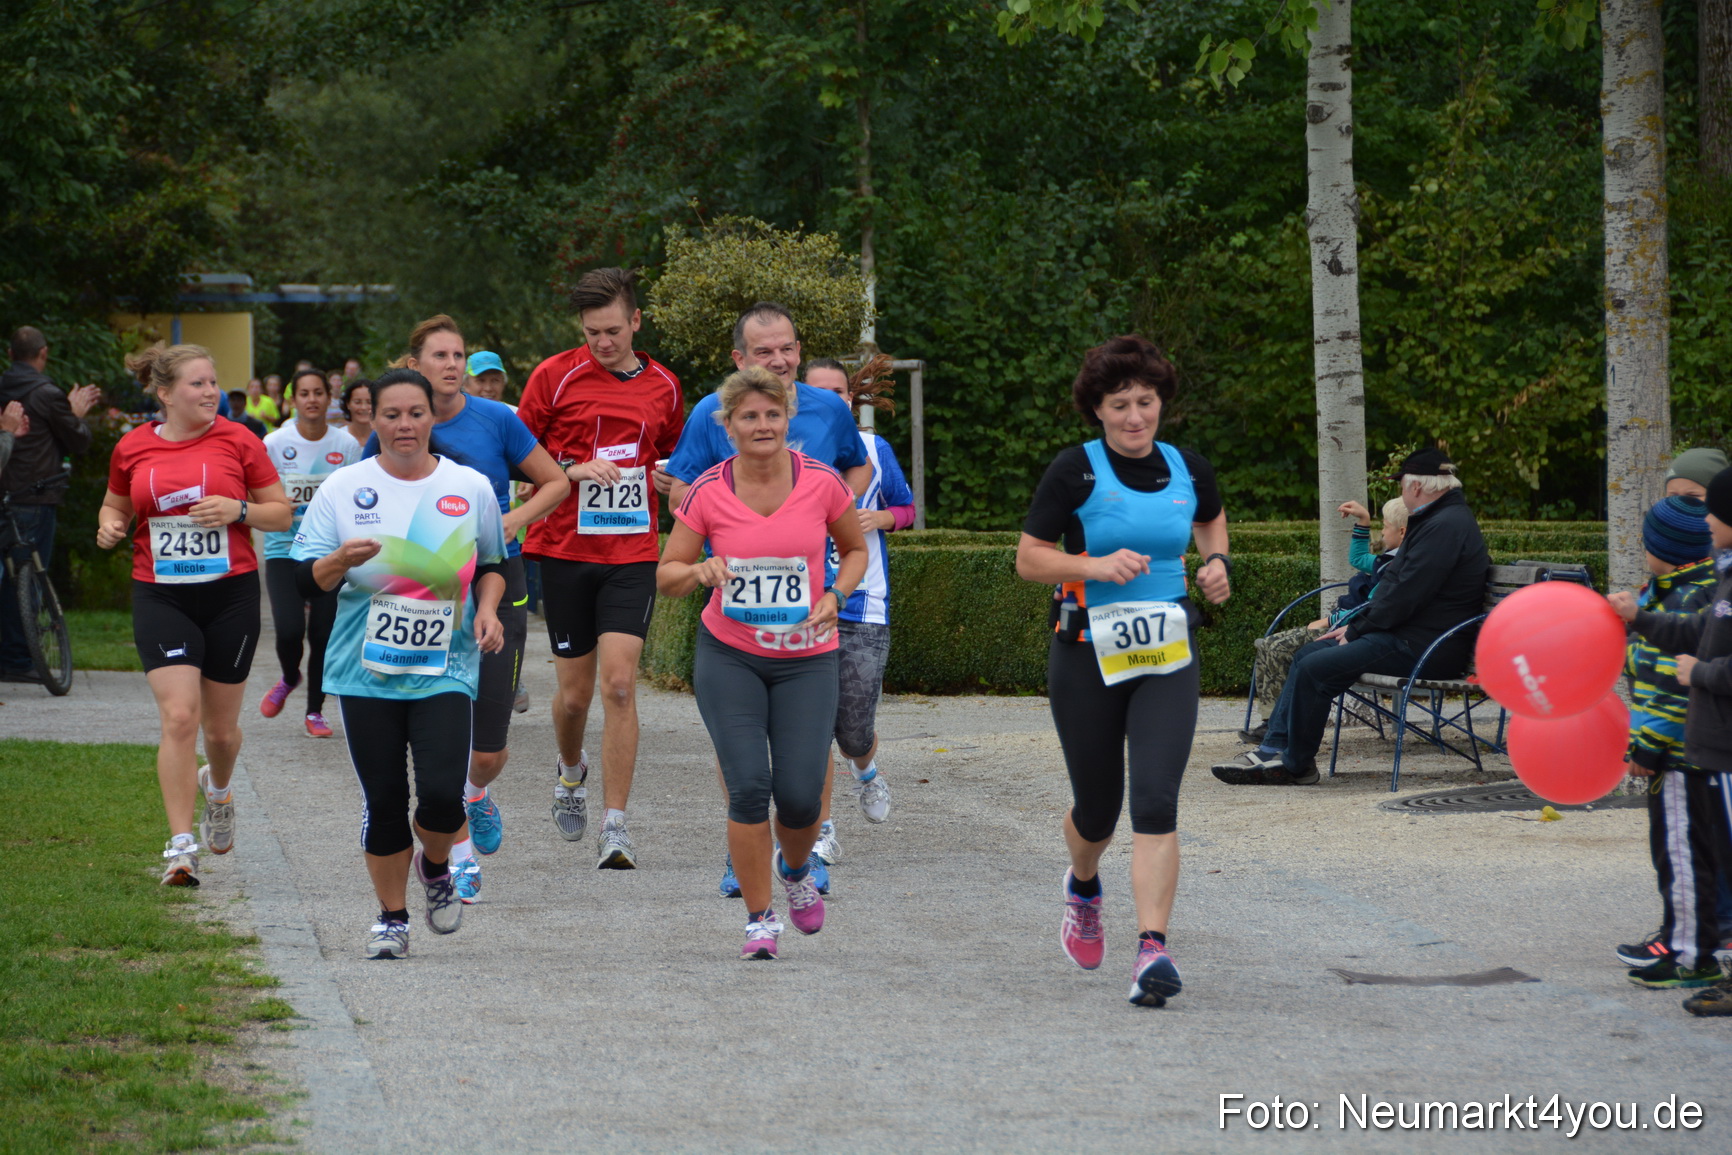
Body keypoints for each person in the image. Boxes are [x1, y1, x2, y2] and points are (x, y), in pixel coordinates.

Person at [1015, 334, 1230, 1008]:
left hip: (1166, 651)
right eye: (1120, 405)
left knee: (1157, 800)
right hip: (1086, 653)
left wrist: (1217, 563)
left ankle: (1152, 948)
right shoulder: (1074, 471)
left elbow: (1212, 519)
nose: (1136, 416)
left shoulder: (1188, 467)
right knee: (1099, 809)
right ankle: (1083, 886)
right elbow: (1028, 557)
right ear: (1098, 411)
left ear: (1161, 400)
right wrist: (1093, 567)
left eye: (1146, 401)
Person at [294, 369, 508, 958]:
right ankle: (391, 917)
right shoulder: (343, 488)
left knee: (441, 796)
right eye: (391, 414)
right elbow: (304, 579)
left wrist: (488, 610)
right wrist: (337, 559)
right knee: (385, 800)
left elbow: (494, 563)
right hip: (365, 670)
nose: (405, 425)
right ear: (371, 418)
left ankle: (435, 865)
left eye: (416, 413)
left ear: (432, 416)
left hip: (446, 664)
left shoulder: (470, 488)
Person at [657, 366, 867, 959]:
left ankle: (795, 873)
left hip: (807, 660)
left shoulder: (823, 483)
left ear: (787, 418)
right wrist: (698, 570)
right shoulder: (708, 490)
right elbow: (667, 575)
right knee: (750, 787)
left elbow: (853, 549)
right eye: (749, 416)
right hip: (732, 657)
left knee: (800, 797)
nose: (762, 425)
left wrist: (837, 594)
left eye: (772, 414)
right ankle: (759, 918)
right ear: (728, 426)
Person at [361, 316, 568, 902]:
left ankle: (474, 795)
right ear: (415, 364)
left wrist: (508, 522)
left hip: (497, 577)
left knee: (490, 747)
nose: (452, 365)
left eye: (459, 355)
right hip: (420, 590)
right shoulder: (392, 427)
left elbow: (553, 482)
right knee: (429, 726)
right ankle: (453, 845)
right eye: (440, 356)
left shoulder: (496, 419)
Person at [96, 343, 292, 885]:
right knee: (180, 717)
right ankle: (181, 846)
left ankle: (220, 789)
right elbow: (114, 505)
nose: (211, 393)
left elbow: (281, 513)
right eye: (198, 384)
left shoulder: (239, 439)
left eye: (213, 382)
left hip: (229, 594)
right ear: (164, 394)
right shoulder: (133, 447)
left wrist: (240, 510)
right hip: (161, 595)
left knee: (222, 733)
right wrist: (108, 526)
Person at [518, 268, 684, 868]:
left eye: (613, 331)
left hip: (631, 553)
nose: (603, 343)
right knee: (573, 696)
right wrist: (571, 471)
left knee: (618, 684)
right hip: (564, 551)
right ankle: (570, 773)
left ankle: (616, 824)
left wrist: (668, 480)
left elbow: (670, 457)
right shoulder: (553, 377)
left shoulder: (665, 384)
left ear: (636, 321)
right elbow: (520, 461)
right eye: (592, 333)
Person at [1212, 447, 1488, 787]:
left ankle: (1295, 766)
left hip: (1426, 646)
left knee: (1318, 666)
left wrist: (1357, 630)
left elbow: (1405, 593)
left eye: (1401, 485)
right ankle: (1274, 749)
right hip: (1409, 637)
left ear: (1415, 487)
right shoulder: (1438, 521)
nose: (1401, 492)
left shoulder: (1445, 525)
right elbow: (1395, 587)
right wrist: (1354, 626)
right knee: (1310, 653)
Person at [1611, 469, 1732, 1016]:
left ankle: (1689, 953)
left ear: (1666, 552)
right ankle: (1691, 941)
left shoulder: (1691, 594)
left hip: (1680, 758)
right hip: (1689, 753)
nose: (1710, 520)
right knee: (1688, 853)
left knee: (1682, 854)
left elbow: (1667, 693)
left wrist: (1648, 751)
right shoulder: (1684, 593)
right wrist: (1639, 617)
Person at [803, 356, 914, 860]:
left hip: (864, 605)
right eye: (818, 391)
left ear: (851, 399)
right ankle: (822, 829)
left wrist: (881, 518)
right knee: (810, 724)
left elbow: (907, 509)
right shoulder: (784, 450)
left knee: (851, 730)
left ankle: (865, 769)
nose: (830, 401)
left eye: (839, 393)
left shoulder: (874, 448)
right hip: (803, 607)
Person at [1243, 496, 1407, 744]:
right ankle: (1271, 722)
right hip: (1348, 630)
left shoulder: (1398, 569)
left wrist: (1329, 619)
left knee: (1276, 647)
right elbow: (1358, 558)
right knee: (1267, 645)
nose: (1381, 532)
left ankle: (1277, 726)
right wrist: (1363, 521)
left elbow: (1371, 608)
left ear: (1402, 532)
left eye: (1384, 526)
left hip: (1348, 633)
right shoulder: (1386, 561)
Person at [260, 368, 362, 737]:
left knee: (322, 633)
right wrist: (274, 500)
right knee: (288, 631)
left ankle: (315, 711)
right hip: (283, 549)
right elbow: (258, 490)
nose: (313, 400)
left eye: (319, 392)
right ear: (293, 400)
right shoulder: (274, 443)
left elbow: (357, 495)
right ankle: (289, 677)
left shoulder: (347, 445)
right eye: (304, 393)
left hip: (327, 553)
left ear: (328, 398)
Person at [1, 326, 99, 681]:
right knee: (28, 580)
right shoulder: (45, 393)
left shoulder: (3, 387)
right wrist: (75, 414)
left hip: (4, 495)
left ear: (11, 354)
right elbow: (78, 440)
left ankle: (9, 654)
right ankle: (17, 658)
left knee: (7, 578)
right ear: (43, 353)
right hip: (36, 496)